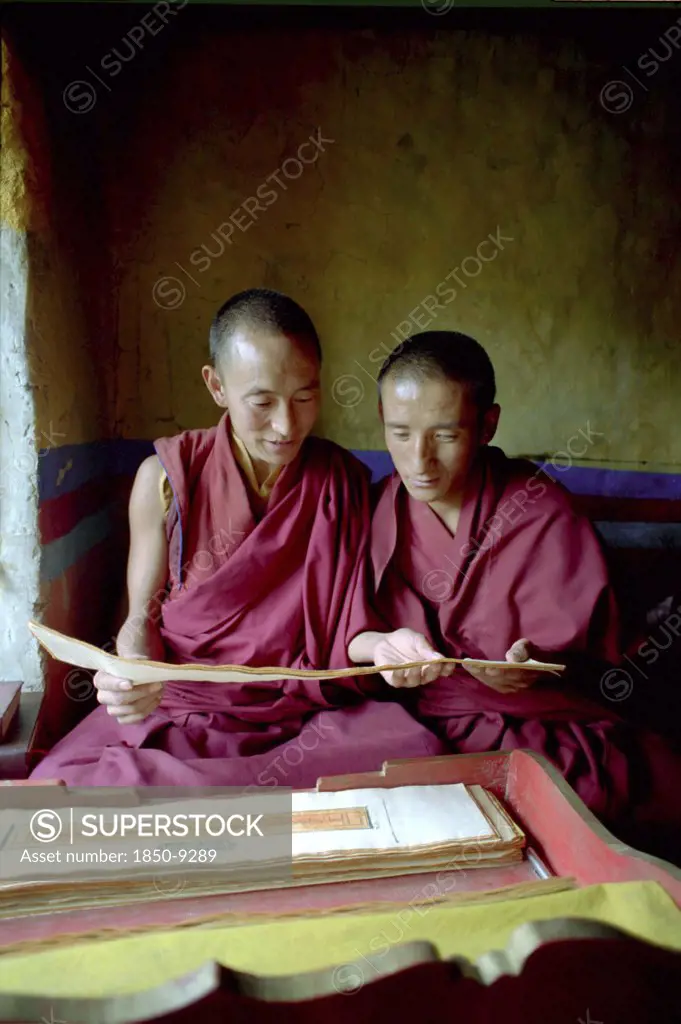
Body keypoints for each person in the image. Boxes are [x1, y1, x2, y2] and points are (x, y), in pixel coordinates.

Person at [31, 291, 446, 787]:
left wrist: (384, 645)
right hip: (188, 709)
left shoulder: (340, 481)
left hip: (302, 713)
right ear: (217, 386)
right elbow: (141, 615)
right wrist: (133, 671)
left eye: (305, 398)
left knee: (420, 757)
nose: (286, 426)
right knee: (59, 793)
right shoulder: (167, 479)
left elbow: (344, 629)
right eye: (263, 402)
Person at [348, 331, 681, 861]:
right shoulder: (373, 510)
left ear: (487, 425)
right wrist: (381, 648)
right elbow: (346, 631)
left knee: (593, 793)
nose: (420, 461)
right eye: (400, 433)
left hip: (536, 720)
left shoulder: (538, 510)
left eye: (446, 436)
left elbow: (605, 659)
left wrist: (536, 667)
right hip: (413, 717)